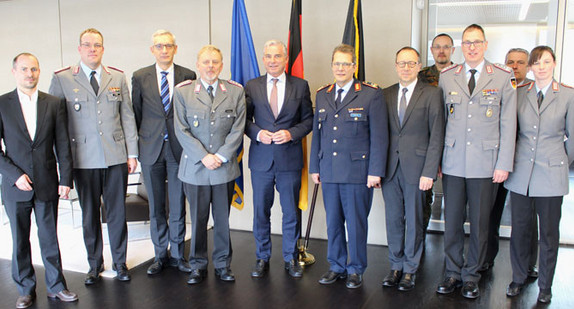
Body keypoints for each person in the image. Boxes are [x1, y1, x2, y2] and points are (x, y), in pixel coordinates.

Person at [49, 28, 139, 284]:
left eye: (97, 45)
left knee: (117, 213)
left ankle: (120, 263)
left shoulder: (117, 77)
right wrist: (61, 161)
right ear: (79, 49)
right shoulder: (63, 79)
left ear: (103, 48)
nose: (92, 49)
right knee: (89, 214)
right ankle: (94, 263)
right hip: (83, 159)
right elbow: (56, 124)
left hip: (115, 157)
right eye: (87, 45)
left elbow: (127, 117)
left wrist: (132, 153)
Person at [436, 24, 517, 299]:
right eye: (467, 42)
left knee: (481, 223)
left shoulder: (503, 77)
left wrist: (503, 163)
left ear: (485, 45)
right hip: (454, 161)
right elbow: (441, 123)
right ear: (461, 46)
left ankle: (472, 275)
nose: (472, 47)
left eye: (477, 42)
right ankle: (452, 272)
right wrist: (437, 161)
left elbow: (509, 125)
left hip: (486, 162)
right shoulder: (447, 76)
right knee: (453, 220)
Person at [0, 53, 78, 308]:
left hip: (46, 183)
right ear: (14, 72)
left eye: (34, 69)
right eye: (24, 69)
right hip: (16, 186)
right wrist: (14, 175)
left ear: (39, 71)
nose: (29, 74)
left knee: (49, 238)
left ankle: (57, 286)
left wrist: (66, 178)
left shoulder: (53, 103)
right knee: (20, 240)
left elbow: (63, 144)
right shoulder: (2, 104)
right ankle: (25, 288)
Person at [310, 44, 388, 289]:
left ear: (354, 66)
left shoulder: (370, 94)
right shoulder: (322, 94)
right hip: (329, 170)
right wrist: (315, 167)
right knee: (333, 222)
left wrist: (375, 171)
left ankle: (356, 268)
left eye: (346, 64)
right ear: (332, 65)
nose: (341, 68)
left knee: (355, 224)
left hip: (358, 172)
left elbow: (379, 136)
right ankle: (336, 265)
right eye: (337, 63)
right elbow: (318, 134)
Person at [504, 46, 574, 304]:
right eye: (537, 62)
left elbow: (573, 140)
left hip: (551, 175)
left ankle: (545, 285)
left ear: (554, 64)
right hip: (522, 172)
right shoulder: (520, 92)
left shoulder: (567, 94)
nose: (541, 66)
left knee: (548, 234)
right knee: (520, 230)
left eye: (546, 61)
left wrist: (559, 160)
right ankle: (519, 277)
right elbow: (511, 129)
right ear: (531, 67)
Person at [173, 45, 246, 285]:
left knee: (222, 220)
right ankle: (197, 265)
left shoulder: (235, 92)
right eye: (206, 62)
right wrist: (204, 156)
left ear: (222, 65)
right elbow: (181, 130)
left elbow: (238, 129)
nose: (210, 67)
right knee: (199, 218)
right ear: (197, 64)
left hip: (224, 168)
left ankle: (223, 265)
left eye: (215, 62)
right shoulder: (183, 93)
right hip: (195, 168)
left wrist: (222, 156)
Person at [244, 40, 313, 278]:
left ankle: (291, 257)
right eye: (268, 56)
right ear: (263, 59)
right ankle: (262, 258)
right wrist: (257, 133)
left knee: (291, 212)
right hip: (261, 160)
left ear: (285, 59)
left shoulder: (300, 85)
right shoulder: (252, 86)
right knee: (261, 212)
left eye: (277, 56)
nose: (273, 60)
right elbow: (244, 121)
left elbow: (309, 119)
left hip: (289, 160)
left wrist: (291, 133)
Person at [132, 30, 196, 275]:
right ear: (153, 50)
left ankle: (179, 255)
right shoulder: (140, 76)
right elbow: (136, 113)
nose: (164, 50)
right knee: (156, 206)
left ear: (175, 48)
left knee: (179, 204)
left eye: (168, 45)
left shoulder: (187, 75)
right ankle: (160, 255)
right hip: (151, 149)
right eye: (159, 46)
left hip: (180, 149)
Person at [381, 47, 444, 291]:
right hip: (390, 169)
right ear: (396, 66)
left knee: (415, 221)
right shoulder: (385, 94)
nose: (406, 67)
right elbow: (380, 134)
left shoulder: (431, 93)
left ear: (419, 66)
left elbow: (436, 134)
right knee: (393, 220)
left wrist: (429, 172)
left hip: (418, 170)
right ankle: (395, 266)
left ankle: (410, 269)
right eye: (401, 63)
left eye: (411, 63)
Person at [482, 48, 538, 276]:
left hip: (524, 165)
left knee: (525, 217)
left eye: (520, 63)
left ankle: (528, 263)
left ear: (528, 66)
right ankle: (487, 258)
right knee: (491, 213)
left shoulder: (533, 91)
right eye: (510, 62)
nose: (515, 66)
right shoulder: (497, 87)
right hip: (496, 162)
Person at [417, 33, 454, 233]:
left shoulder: (462, 74)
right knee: (424, 196)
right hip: (428, 142)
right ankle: (420, 239)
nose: (441, 50)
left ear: (452, 50)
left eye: (446, 47)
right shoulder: (420, 76)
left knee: (455, 198)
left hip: (454, 143)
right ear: (432, 50)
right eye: (437, 47)